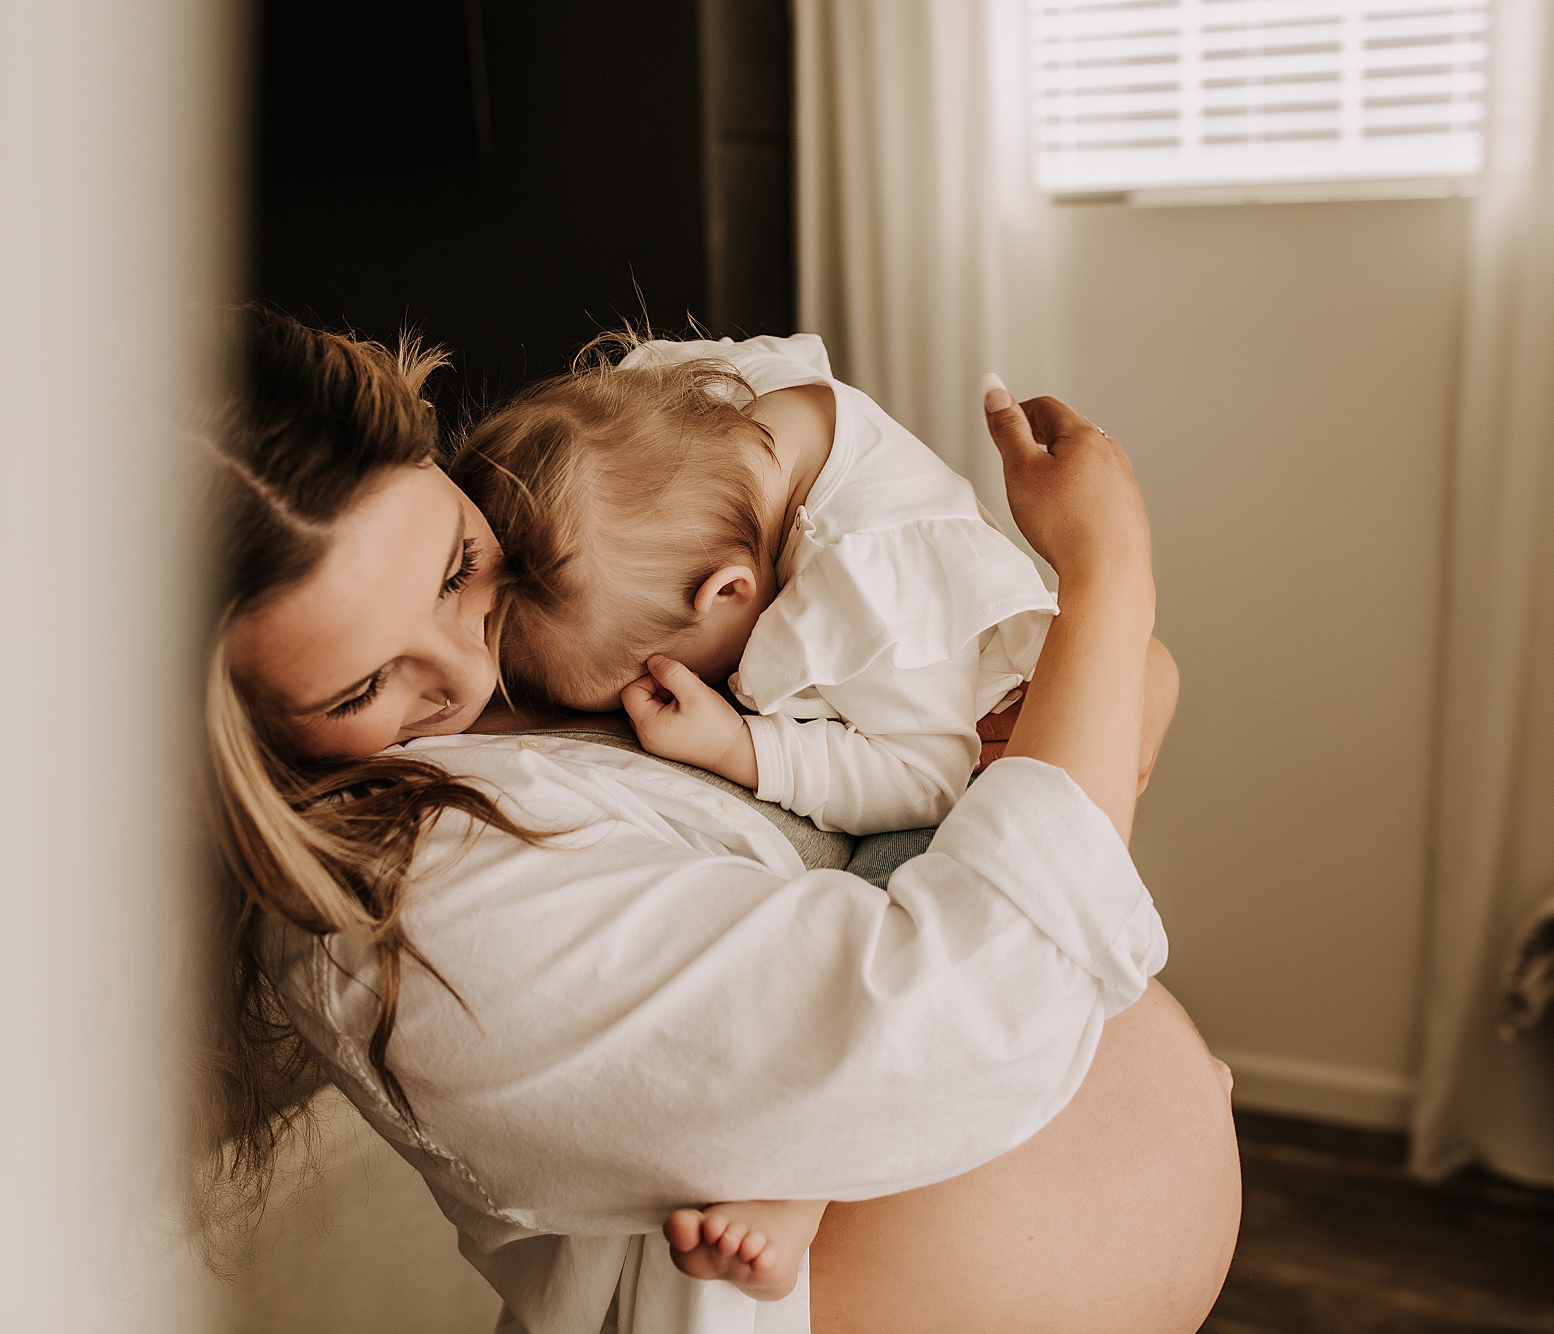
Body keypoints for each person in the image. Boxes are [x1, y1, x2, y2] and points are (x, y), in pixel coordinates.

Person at [199, 305, 1240, 1334]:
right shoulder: (396, 903)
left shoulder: (592, 549)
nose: (468, 667)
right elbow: (965, 1019)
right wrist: (1109, 583)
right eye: (360, 687)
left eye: (455, 566)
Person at [451, 330, 1180, 1295]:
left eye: (620, 682)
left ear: (731, 595)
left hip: (969, 740)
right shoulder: (727, 409)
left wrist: (740, 747)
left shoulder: (868, 602)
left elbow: (923, 774)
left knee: (890, 893)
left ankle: (804, 1175)